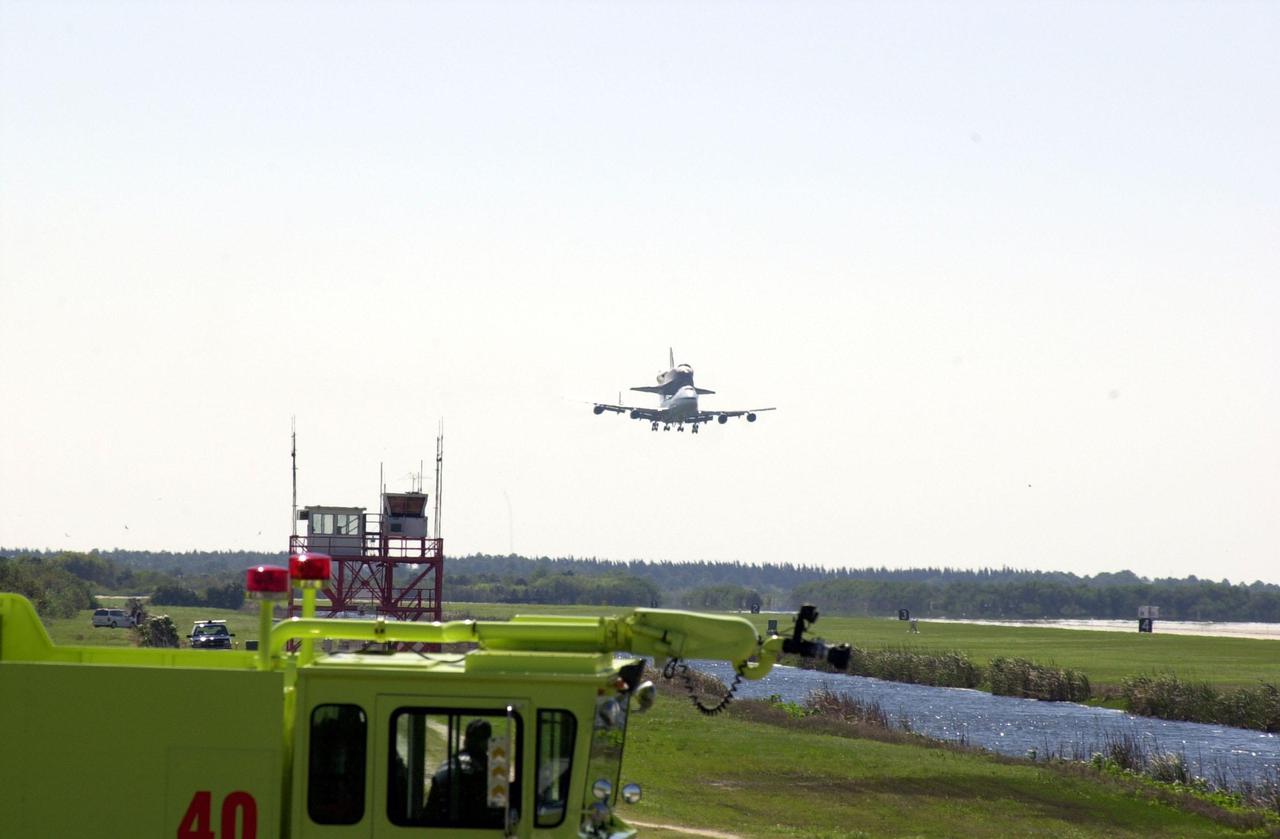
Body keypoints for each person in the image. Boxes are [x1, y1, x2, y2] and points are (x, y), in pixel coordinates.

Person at [423, 718, 500, 827]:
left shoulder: (446, 765)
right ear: (486, 742)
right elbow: (498, 813)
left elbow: (429, 811)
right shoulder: (490, 769)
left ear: (466, 740)